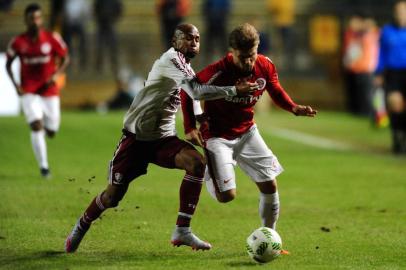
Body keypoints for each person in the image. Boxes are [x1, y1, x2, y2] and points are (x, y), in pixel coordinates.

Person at [65, 23, 258, 253]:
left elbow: (193, 98)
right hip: (136, 139)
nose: (193, 42)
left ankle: (182, 230)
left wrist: (200, 121)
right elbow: (197, 91)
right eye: (188, 38)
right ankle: (82, 224)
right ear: (175, 42)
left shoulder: (186, 68)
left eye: (196, 39)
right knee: (112, 197)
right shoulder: (172, 59)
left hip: (163, 139)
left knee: (197, 164)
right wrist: (234, 91)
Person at [181, 23, 317, 253]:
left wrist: (293, 108)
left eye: (252, 55)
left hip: (247, 132)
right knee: (227, 197)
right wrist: (189, 125)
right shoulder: (219, 71)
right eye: (243, 57)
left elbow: (275, 89)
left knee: (269, 184)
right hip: (217, 137)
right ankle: (210, 171)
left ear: (257, 49)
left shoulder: (264, 65)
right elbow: (188, 89)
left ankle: (270, 237)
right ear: (231, 52)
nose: (248, 62)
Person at [5, 3, 69, 179]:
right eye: (32, 18)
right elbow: (8, 64)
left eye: (38, 18)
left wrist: (56, 75)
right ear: (26, 20)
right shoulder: (18, 42)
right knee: (36, 125)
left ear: (41, 19)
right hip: (29, 90)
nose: (35, 21)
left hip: (49, 90)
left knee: (52, 130)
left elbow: (65, 58)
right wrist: (16, 85)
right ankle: (44, 168)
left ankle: (48, 131)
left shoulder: (51, 38)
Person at [375, 0, 406, 154]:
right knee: (395, 103)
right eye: (398, 11)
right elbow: (381, 54)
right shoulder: (387, 31)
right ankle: (397, 136)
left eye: (403, 11)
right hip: (394, 73)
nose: (400, 15)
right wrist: (379, 72)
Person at [342, 12, 379, 117]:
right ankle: (357, 112)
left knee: (366, 94)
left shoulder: (371, 34)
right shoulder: (353, 35)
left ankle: (368, 113)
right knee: (355, 94)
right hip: (354, 69)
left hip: (366, 69)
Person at [94, 0, 123, 76]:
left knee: (113, 47)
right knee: (100, 47)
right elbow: (95, 9)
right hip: (101, 24)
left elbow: (119, 9)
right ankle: (99, 67)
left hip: (111, 24)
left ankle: (114, 66)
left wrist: (114, 19)